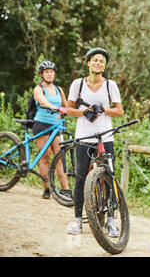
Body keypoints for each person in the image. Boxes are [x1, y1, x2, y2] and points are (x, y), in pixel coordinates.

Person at [65, 48, 124, 236]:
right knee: (81, 176)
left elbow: (119, 111)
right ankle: (77, 220)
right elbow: (69, 109)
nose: (98, 63)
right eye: (95, 60)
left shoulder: (110, 85)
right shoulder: (77, 84)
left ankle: (111, 221)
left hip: (105, 137)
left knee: (108, 176)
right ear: (88, 63)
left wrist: (103, 109)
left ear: (105, 66)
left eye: (101, 61)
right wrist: (84, 112)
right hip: (84, 136)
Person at [32, 61, 71, 199]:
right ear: (42, 74)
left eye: (51, 71)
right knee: (45, 157)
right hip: (42, 125)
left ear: (54, 73)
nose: (49, 74)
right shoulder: (38, 89)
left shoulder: (59, 89)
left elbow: (66, 105)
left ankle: (65, 189)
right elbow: (42, 100)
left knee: (59, 157)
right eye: (46, 72)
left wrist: (70, 110)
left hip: (57, 126)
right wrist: (52, 107)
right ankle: (47, 188)